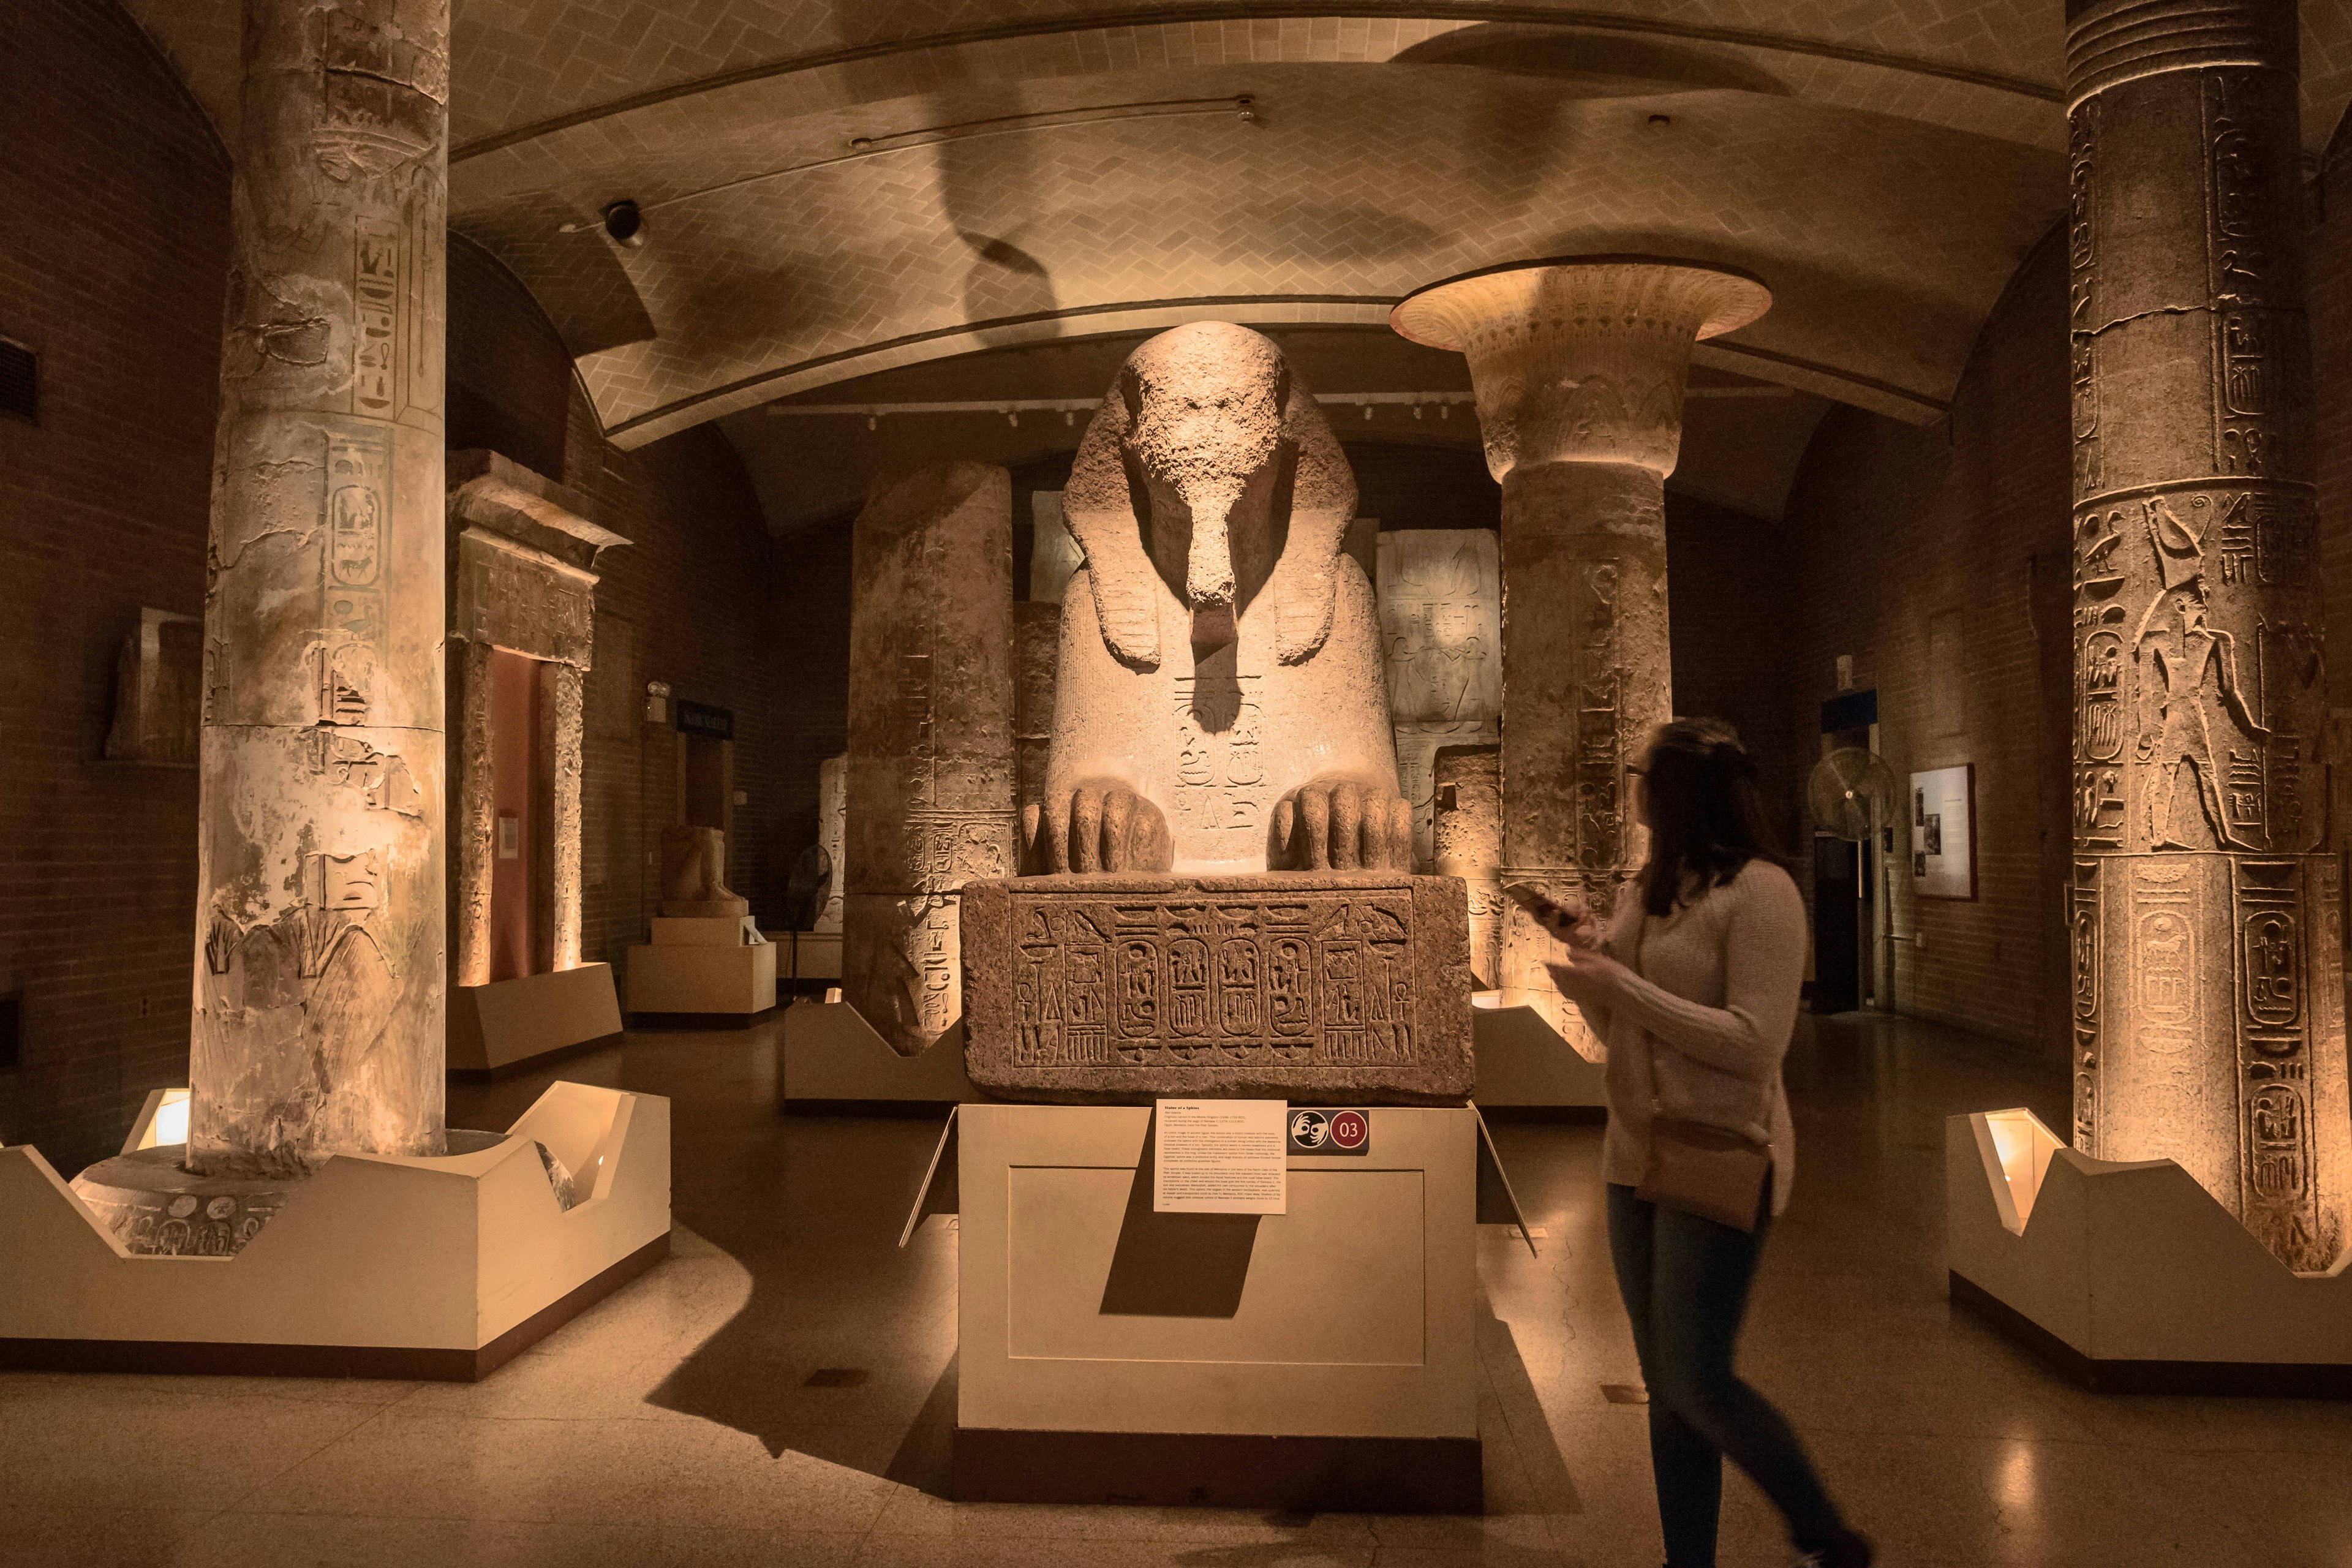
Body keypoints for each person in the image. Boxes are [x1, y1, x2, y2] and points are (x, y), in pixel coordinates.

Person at [1532, 718, 1871, 1568]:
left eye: (1644, 772)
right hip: (1634, 1155)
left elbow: (1755, 1043)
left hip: (1722, 1150)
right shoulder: (1653, 885)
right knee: (1669, 1392)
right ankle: (1688, 1561)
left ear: (1678, 789)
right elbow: (1625, 1032)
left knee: (1697, 1378)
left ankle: (1825, 1531)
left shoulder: (1762, 893)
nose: (1633, 785)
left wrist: (1625, 985)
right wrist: (1591, 974)